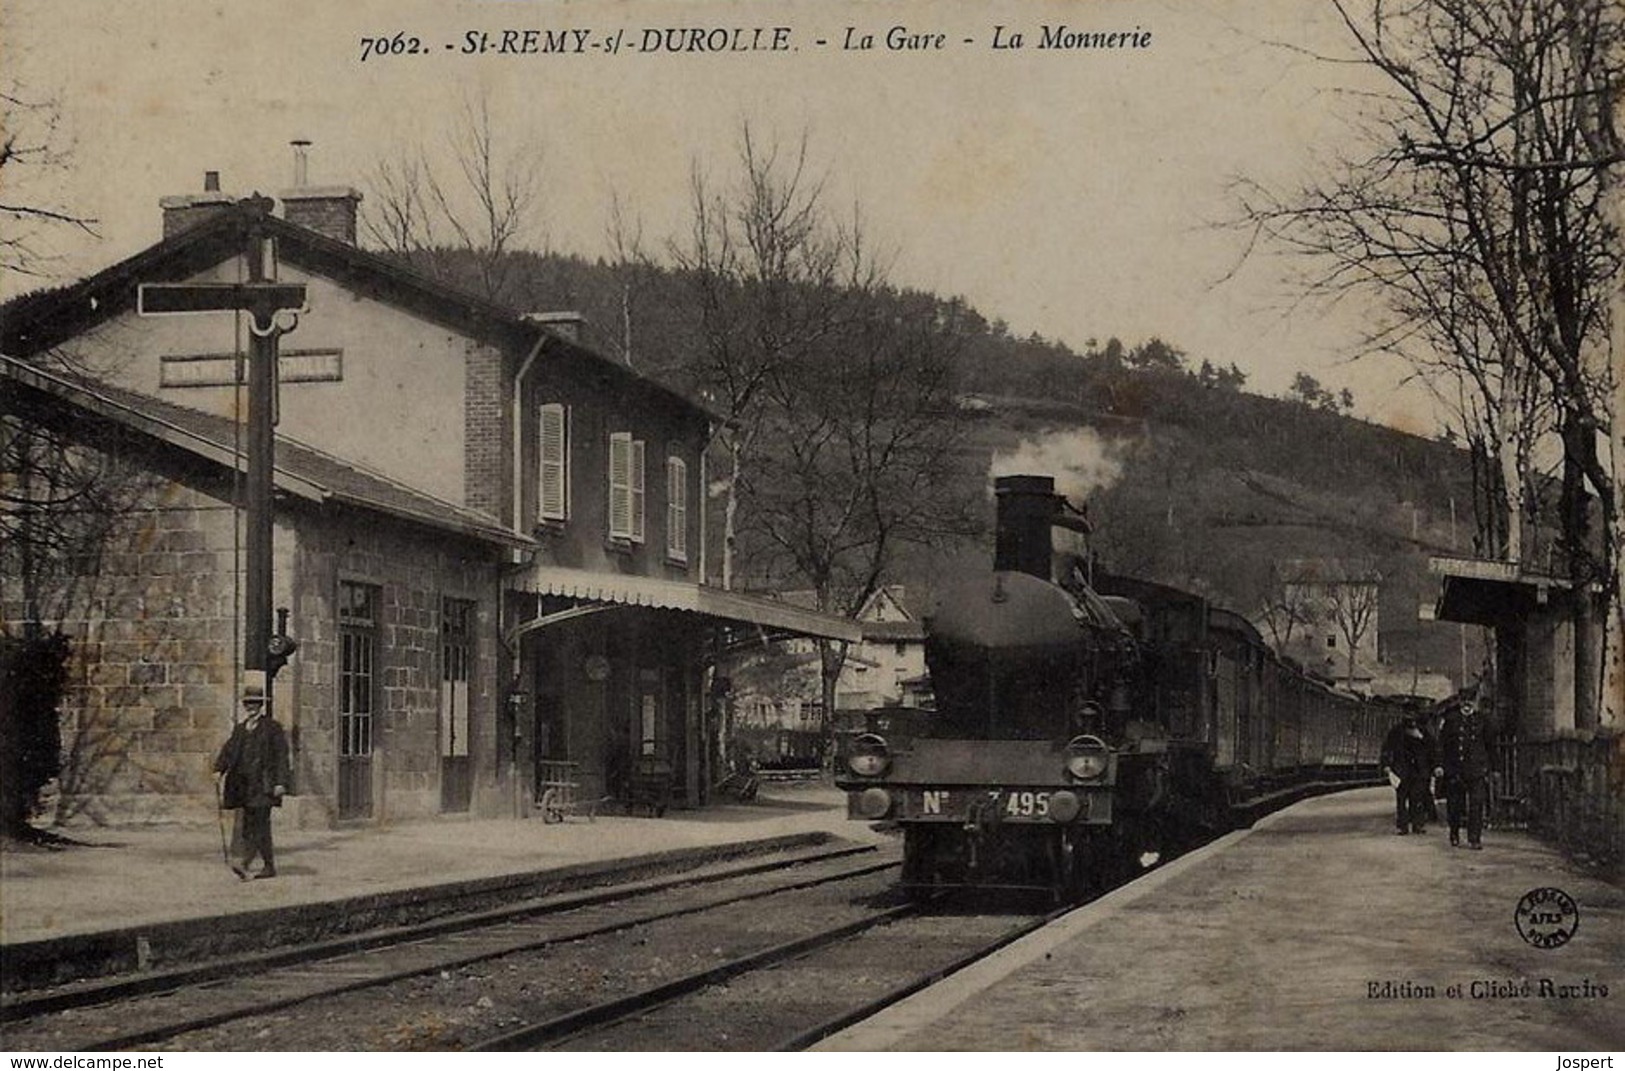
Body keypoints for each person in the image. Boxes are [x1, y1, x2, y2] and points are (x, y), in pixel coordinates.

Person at [213, 672, 292, 879]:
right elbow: (228, 751)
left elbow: (282, 756)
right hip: (243, 785)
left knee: (260, 823)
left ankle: (245, 863)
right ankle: (269, 866)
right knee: (252, 825)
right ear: (244, 705)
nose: (251, 707)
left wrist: (281, 782)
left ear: (261, 706)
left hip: (264, 784)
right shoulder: (240, 729)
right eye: (248, 703)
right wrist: (218, 770)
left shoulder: (272, 728)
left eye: (255, 704)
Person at [1438, 698, 1495, 849]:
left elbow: (1490, 746)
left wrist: (1492, 768)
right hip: (1455, 770)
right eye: (1465, 702)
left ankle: (1474, 838)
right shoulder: (1451, 721)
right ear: (1461, 704)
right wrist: (1440, 765)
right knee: (1455, 805)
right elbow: (1442, 745)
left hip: (1476, 770)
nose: (1468, 704)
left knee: (1476, 804)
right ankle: (1454, 833)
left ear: (1474, 704)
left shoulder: (1482, 720)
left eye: (1470, 701)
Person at [1380, 711, 1436, 835]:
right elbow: (1387, 749)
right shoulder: (1396, 732)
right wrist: (1387, 765)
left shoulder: (1423, 733)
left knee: (1417, 798)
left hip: (1418, 771)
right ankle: (1403, 825)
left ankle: (1417, 824)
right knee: (1401, 800)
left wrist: (1434, 767)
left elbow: (1432, 750)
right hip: (1401, 770)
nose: (1410, 719)